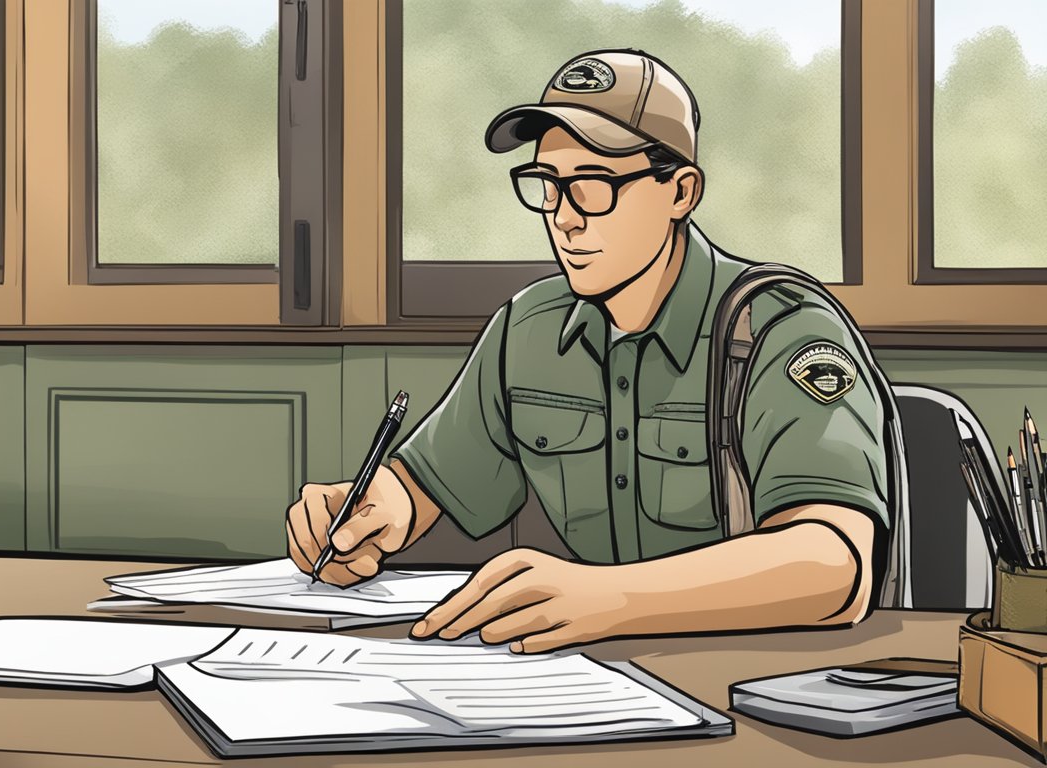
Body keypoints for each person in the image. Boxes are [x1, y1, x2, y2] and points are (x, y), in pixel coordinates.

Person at [286, 49, 890, 653]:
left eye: (594, 187)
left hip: (745, 675)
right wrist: (371, 511)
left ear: (680, 192)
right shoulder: (527, 331)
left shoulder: (781, 330)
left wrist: (612, 599)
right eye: (547, 186)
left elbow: (835, 565)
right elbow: (426, 486)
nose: (564, 219)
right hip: (593, 683)